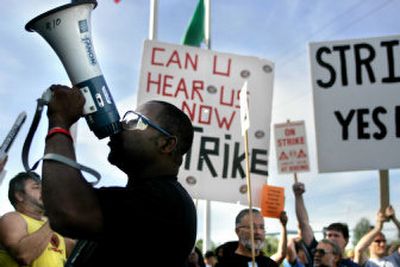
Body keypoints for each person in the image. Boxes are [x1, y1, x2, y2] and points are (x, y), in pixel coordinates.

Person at [41, 85, 197, 266]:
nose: (121, 125)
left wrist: (59, 122)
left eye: (134, 121)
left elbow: (68, 211)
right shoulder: (138, 197)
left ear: (166, 144)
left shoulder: (166, 202)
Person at [0, 171, 75, 266]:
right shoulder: (12, 218)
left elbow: (78, 252)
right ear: (19, 196)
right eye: (36, 187)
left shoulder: (51, 225)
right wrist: (55, 217)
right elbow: (24, 256)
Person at [292, 182, 359, 267]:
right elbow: (304, 223)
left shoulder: (352, 266)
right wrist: (298, 196)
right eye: (329, 235)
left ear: (346, 240)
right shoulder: (316, 253)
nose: (331, 238)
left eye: (336, 235)